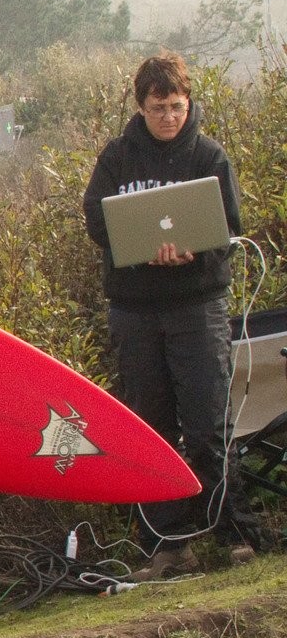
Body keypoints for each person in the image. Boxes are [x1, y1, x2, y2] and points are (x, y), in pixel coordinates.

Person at [84, 51, 254, 578]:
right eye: (158, 108)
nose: (168, 117)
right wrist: (140, 247)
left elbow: (229, 228)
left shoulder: (208, 156)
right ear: (142, 107)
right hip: (136, 311)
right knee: (150, 429)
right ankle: (166, 545)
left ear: (188, 104)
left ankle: (229, 533)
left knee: (207, 423)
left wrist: (193, 251)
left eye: (177, 107)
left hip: (198, 305)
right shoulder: (116, 158)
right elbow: (97, 222)